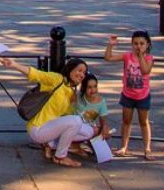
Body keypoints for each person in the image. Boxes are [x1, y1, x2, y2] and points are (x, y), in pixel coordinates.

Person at [12, 56, 94, 168]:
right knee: (76, 121)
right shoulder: (57, 79)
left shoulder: (71, 91)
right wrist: (14, 65)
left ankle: (52, 145)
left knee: (89, 131)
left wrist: (76, 104)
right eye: (79, 70)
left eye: (84, 73)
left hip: (51, 128)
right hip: (38, 128)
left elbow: (68, 117)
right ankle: (60, 156)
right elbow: (37, 74)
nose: (81, 75)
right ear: (70, 69)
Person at [105, 30, 154, 158]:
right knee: (126, 121)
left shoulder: (149, 58)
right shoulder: (127, 56)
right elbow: (108, 58)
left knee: (144, 121)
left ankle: (147, 148)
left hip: (142, 95)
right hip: (128, 94)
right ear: (132, 44)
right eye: (135, 43)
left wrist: (141, 56)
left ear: (147, 45)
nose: (138, 46)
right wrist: (110, 45)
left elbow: (145, 71)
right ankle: (123, 146)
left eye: (142, 43)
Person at [75, 74, 112, 145]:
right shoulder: (77, 97)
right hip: (75, 126)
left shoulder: (101, 101)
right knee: (94, 130)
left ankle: (86, 143)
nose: (93, 90)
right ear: (84, 88)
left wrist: (104, 130)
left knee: (108, 132)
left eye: (95, 86)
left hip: (89, 128)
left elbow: (103, 123)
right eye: (89, 87)